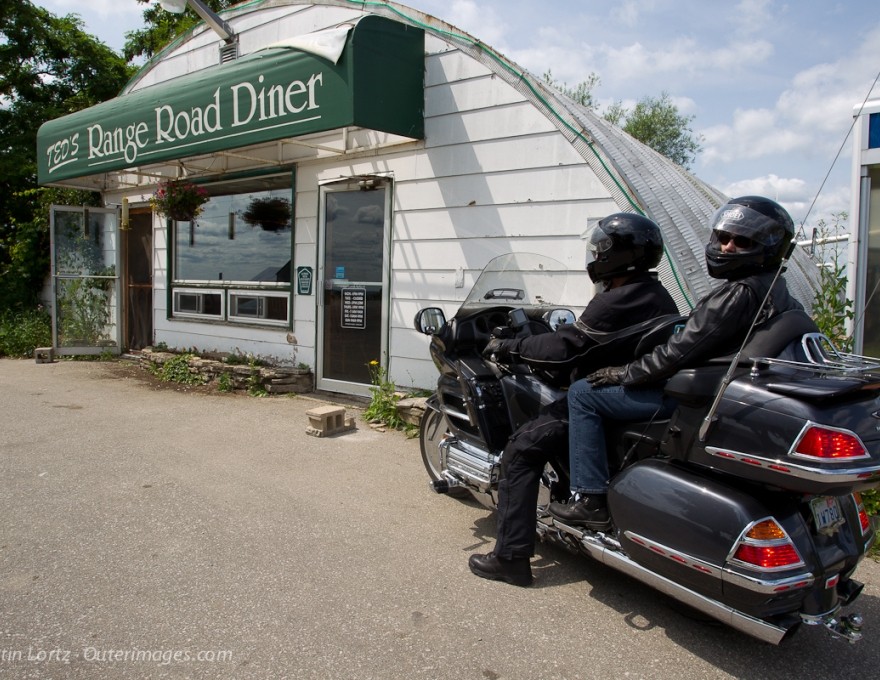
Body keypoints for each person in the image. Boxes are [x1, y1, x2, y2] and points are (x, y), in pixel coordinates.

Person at [548, 196, 803, 530]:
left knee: (582, 392)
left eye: (742, 241)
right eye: (724, 237)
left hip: (688, 395)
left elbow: (678, 352)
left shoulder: (738, 293)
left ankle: (590, 499)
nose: (727, 247)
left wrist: (624, 372)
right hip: (716, 391)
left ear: (768, 248)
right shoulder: (778, 292)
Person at [468, 213, 679, 587]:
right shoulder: (656, 293)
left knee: (520, 450)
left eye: (600, 248)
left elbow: (567, 346)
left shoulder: (618, 298)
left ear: (618, 255)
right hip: (633, 389)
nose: (594, 255)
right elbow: (594, 339)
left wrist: (510, 346)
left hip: (604, 393)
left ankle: (510, 558)